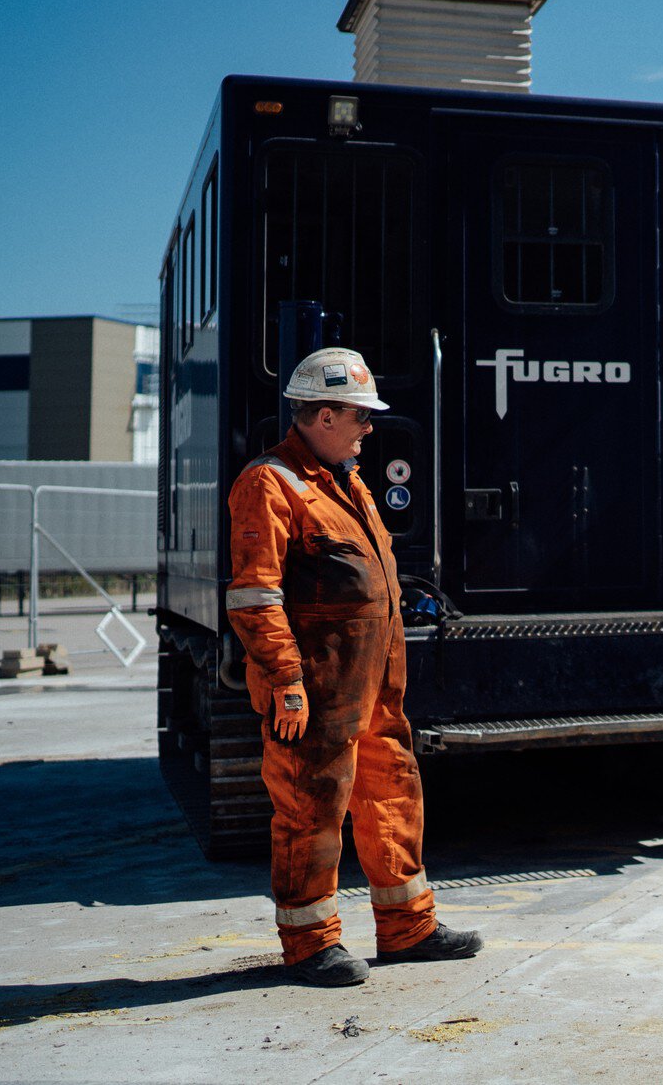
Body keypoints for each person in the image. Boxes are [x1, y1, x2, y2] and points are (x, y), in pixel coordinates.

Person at [225, 347, 482, 987]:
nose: (371, 427)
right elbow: (255, 596)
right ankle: (310, 944)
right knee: (311, 805)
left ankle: (408, 928)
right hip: (314, 688)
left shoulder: (345, 481)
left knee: (392, 793)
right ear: (324, 413)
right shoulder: (270, 483)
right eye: (361, 416)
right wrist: (286, 681)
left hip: (372, 690)